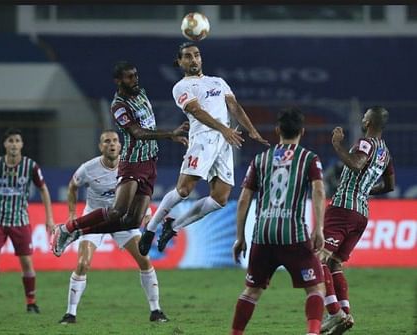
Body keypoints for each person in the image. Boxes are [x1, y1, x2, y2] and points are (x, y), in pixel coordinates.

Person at [138, 41, 269, 256]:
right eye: (188, 56)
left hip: (225, 141)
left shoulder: (218, 81)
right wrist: (223, 129)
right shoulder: (181, 86)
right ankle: (151, 229)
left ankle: (173, 227)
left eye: (196, 55)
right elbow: (196, 111)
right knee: (183, 191)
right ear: (180, 62)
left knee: (220, 199)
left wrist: (252, 130)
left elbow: (234, 106)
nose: (193, 59)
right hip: (203, 139)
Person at [51, 61, 189, 256]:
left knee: (133, 221)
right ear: (118, 81)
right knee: (117, 211)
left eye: (136, 75)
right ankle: (67, 228)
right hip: (132, 164)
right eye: (129, 77)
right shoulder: (119, 106)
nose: (134, 80)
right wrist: (170, 135)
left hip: (150, 162)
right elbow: (138, 133)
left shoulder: (141, 93)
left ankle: (79, 232)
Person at [230, 108, 326, 335]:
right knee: (315, 288)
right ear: (302, 132)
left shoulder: (260, 159)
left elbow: (244, 198)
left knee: (251, 292)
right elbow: (319, 191)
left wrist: (240, 236)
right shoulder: (309, 159)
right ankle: (312, 333)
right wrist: (319, 228)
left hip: (262, 234)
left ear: (277, 131)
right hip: (293, 235)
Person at [58, 130, 168, 324]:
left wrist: (147, 213)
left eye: (115, 141)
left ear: (120, 145)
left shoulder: (130, 167)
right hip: (94, 218)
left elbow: (142, 191)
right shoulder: (88, 168)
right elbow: (73, 186)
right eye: (107, 141)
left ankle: (156, 310)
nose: (111, 144)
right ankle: (70, 314)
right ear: (101, 146)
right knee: (83, 264)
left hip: (122, 221)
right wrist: (73, 214)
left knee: (144, 260)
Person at [318, 106, 395, 335]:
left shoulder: (366, 143)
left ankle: (334, 313)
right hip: (361, 213)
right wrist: (365, 190)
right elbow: (390, 185)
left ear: (370, 122)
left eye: (364, 116)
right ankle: (345, 313)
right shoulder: (386, 152)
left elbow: (357, 163)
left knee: (318, 258)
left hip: (343, 209)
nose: (361, 119)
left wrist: (337, 145)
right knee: (335, 264)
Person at [0, 128, 54, 314]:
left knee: (26, 262)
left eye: (17, 140)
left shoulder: (30, 166)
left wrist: (49, 217)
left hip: (20, 220)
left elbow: (43, 189)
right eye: (10, 140)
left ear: (21, 144)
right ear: (5, 144)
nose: (13, 144)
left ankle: (31, 302)